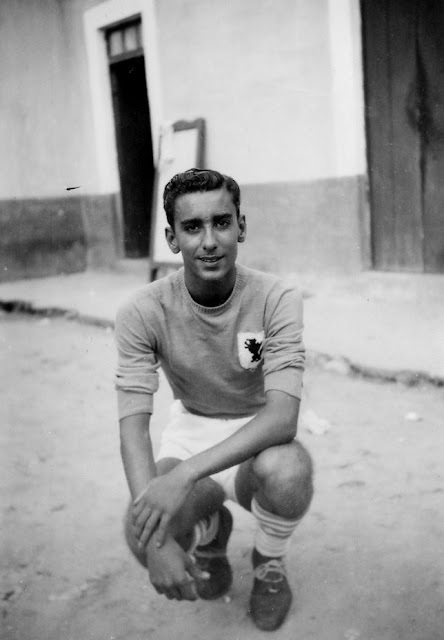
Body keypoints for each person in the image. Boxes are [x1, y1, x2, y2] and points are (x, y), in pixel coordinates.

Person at [115, 168, 313, 631]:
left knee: (289, 472)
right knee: (140, 531)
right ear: (172, 238)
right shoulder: (142, 310)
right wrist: (156, 543)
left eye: (221, 223)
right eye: (192, 227)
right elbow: (133, 427)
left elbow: (282, 418)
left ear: (240, 226)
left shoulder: (276, 297)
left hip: (258, 433)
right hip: (193, 429)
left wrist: (184, 475)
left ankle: (269, 560)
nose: (209, 241)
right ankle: (210, 533)